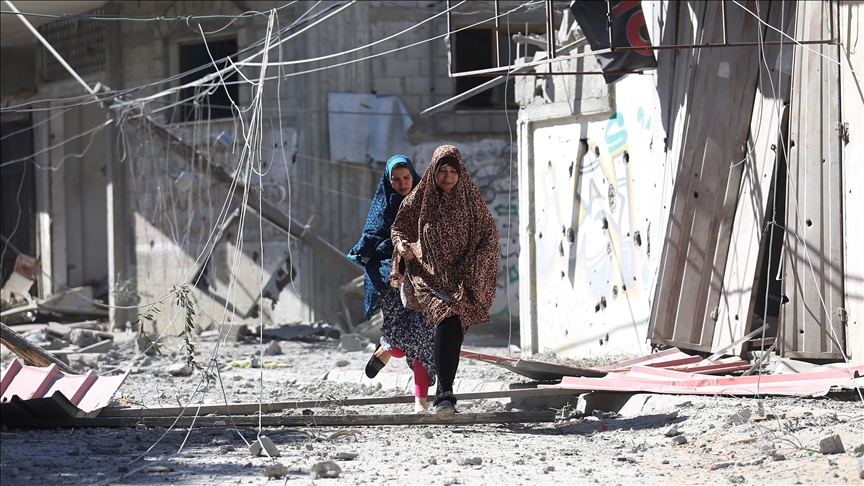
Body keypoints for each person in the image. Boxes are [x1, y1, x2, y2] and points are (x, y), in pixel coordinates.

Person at [390, 145, 500, 419]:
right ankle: (445, 394)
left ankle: (444, 391)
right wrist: (402, 246)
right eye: (442, 171)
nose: (448, 177)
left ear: (460, 172)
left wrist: (476, 266)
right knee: (446, 319)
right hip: (429, 276)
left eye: (453, 171)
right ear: (433, 171)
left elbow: (490, 235)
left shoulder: (471, 200)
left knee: (455, 330)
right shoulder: (420, 198)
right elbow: (399, 228)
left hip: (462, 279)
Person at [347, 155, 436, 413]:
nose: (402, 183)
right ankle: (387, 349)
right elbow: (371, 238)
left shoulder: (425, 203)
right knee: (400, 343)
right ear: (388, 181)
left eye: (406, 178)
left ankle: (420, 404)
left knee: (424, 338)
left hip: (421, 280)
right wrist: (390, 250)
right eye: (395, 179)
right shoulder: (383, 207)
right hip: (391, 281)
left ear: (414, 176)